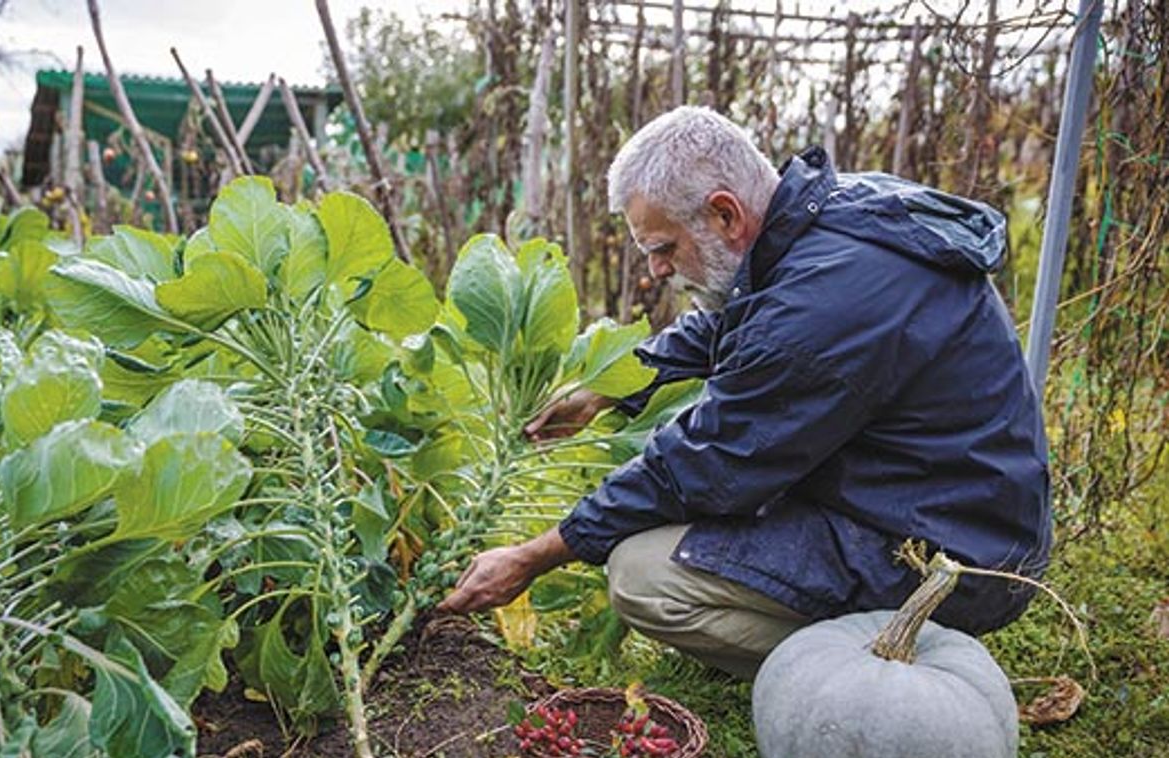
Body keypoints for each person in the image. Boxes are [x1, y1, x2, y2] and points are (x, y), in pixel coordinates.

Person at [437, 106, 1052, 678]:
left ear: (726, 214)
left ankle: (864, 669)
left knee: (644, 576)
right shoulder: (827, 218)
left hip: (950, 560)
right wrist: (609, 388)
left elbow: (700, 465)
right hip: (928, 498)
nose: (655, 271)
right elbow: (736, 316)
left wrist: (534, 554)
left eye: (662, 248)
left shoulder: (822, 304)